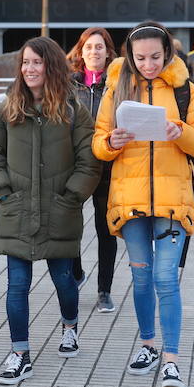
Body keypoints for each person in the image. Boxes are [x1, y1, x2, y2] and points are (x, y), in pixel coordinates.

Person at [92, 22, 194, 387]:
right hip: (129, 199)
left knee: (165, 277)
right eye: (140, 57)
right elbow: (97, 145)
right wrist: (112, 140)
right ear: (129, 55)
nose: (148, 64)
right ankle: (148, 344)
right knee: (141, 275)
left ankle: (172, 359)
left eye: (155, 57)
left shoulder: (184, 90)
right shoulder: (116, 89)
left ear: (168, 53)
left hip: (173, 199)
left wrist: (182, 132)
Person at [0, 37, 100, 385]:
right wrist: (2, 193)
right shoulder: (9, 106)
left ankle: (70, 326)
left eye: (36, 62)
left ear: (51, 66)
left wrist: (71, 197)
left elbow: (88, 160)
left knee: (63, 278)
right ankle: (20, 353)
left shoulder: (72, 109)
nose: (29, 69)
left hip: (59, 210)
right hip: (16, 210)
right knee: (17, 285)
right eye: (25, 63)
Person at [67, 27, 119, 312]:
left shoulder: (118, 85)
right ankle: (76, 273)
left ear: (108, 52)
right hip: (76, 167)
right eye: (88, 47)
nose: (94, 52)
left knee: (105, 230)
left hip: (108, 167)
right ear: (81, 52)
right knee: (70, 225)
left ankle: (105, 289)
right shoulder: (69, 85)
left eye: (99, 47)